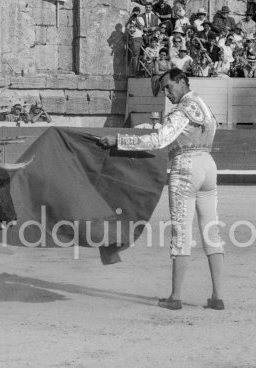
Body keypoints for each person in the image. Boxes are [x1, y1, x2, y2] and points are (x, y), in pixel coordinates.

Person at [99, 68, 225, 311]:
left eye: (168, 86)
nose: (166, 93)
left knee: (181, 233)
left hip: (186, 168)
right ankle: (217, 296)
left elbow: (159, 141)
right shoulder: (204, 107)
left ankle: (175, 297)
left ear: (181, 81)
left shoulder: (181, 110)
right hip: (209, 166)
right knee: (211, 230)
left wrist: (119, 140)